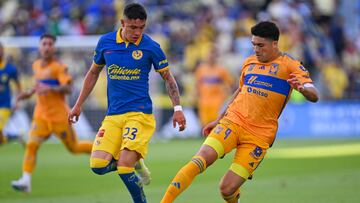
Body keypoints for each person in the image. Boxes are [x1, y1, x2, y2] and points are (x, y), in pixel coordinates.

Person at [161, 21, 319, 203]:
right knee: (200, 160)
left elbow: (314, 94)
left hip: (259, 136)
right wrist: (219, 119)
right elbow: (239, 91)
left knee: (226, 189)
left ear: (274, 43)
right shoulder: (249, 62)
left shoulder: (290, 65)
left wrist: (303, 89)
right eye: (254, 45)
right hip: (233, 122)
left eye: (261, 45)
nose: (256, 50)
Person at [68, 3, 186, 203]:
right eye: (133, 27)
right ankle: (136, 161)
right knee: (97, 166)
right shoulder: (105, 42)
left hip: (140, 115)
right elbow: (93, 73)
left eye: (141, 28)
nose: (137, 32)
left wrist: (178, 108)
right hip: (113, 116)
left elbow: (168, 78)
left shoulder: (151, 47)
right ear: (122, 23)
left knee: (124, 167)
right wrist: (78, 104)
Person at [11, 34, 93, 193]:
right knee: (31, 145)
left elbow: (68, 89)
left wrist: (51, 88)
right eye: (44, 44)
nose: (47, 47)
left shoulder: (59, 67)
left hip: (59, 117)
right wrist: (27, 94)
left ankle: (104, 150)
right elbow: (37, 88)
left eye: (50, 44)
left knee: (74, 148)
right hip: (41, 116)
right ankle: (26, 180)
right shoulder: (36, 65)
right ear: (40, 46)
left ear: (54, 48)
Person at [195, 47, 234, 128]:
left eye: (213, 55)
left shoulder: (221, 70)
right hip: (204, 101)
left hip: (217, 101)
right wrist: (196, 95)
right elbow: (198, 84)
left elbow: (230, 83)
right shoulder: (201, 69)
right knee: (204, 124)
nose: (211, 57)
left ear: (216, 56)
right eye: (209, 55)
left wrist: (227, 95)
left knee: (216, 124)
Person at [0, 42, 22, 145]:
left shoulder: (10, 68)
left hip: (4, 105)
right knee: (1, 140)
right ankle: (13, 137)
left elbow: (18, 85)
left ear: (3, 51)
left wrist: (18, 100)